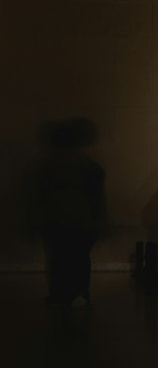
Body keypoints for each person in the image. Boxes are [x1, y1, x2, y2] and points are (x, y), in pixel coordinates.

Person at [25, 118, 109, 307]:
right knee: (79, 257)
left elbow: (38, 194)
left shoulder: (47, 166)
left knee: (58, 258)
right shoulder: (89, 166)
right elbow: (96, 195)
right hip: (82, 219)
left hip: (55, 219)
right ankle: (80, 292)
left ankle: (60, 294)